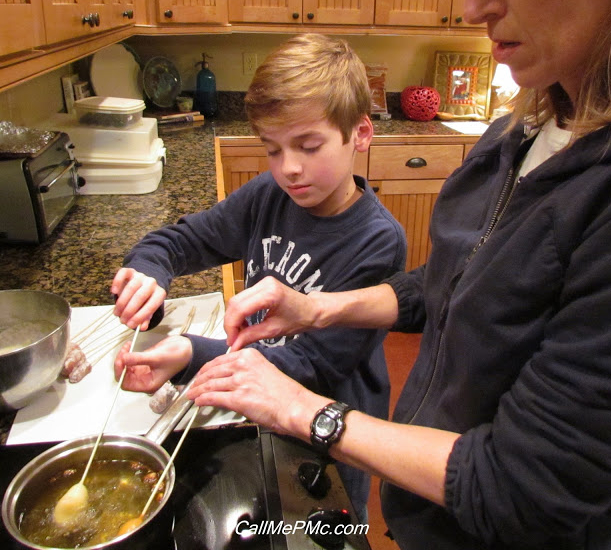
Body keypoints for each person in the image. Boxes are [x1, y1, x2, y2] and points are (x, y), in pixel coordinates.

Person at [183, 0, 611, 548]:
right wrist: (316, 309)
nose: (471, 1)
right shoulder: (526, 126)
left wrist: (302, 409)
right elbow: (456, 281)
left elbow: (524, 489)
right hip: (432, 512)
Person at [110, 33, 407, 521]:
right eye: (273, 149)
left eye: (309, 146)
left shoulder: (377, 240)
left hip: (325, 430)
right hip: (255, 406)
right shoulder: (268, 195)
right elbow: (182, 240)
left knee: (322, 526)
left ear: (360, 134)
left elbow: (314, 367)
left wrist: (190, 354)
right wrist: (149, 271)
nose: (289, 169)